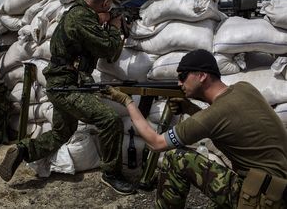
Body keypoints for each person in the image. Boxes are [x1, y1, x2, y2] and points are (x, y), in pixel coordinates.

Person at [103, 49, 287, 208]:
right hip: (277, 190)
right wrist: (190, 108)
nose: (179, 83)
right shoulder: (245, 88)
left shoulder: (213, 116)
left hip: (263, 200)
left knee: (177, 158)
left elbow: (156, 143)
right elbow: (224, 124)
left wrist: (127, 102)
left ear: (201, 76)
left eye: (183, 76)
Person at [0, 0, 135, 195]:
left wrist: (103, 23)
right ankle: (111, 174)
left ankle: (23, 149)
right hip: (67, 86)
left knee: (62, 132)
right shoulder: (81, 18)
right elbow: (110, 51)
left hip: (63, 83)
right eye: (108, 7)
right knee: (110, 121)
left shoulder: (80, 14)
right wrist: (116, 27)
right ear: (106, 2)